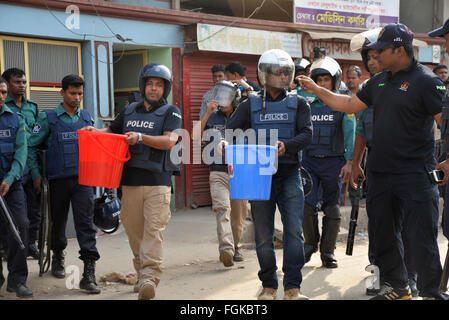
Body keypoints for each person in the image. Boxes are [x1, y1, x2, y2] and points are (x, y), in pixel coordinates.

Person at [299, 23, 446, 300]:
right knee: (383, 235)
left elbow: (446, 125)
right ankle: (397, 287)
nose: (374, 56)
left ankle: (431, 293)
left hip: (416, 173)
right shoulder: (377, 83)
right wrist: (317, 90)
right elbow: (349, 105)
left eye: (380, 51)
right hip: (380, 173)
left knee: (421, 237)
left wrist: (448, 159)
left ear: (399, 50)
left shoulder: (427, 82)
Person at [83, 63, 182, 300]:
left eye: (159, 85)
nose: (154, 89)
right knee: (135, 232)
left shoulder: (171, 112)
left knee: (153, 231)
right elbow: (111, 130)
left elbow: (169, 141)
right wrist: (94, 132)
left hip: (158, 183)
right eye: (150, 84)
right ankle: (141, 274)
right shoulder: (129, 111)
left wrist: (141, 138)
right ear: (143, 85)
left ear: (165, 88)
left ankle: (149, 278)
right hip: (129, 182)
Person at [225, 49, 313, 300]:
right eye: (276, 71)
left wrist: (288, 146)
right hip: (258, 177)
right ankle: (268, 286)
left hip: (290, 174)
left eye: (286, 71)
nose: (282, 75)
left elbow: (307, 134)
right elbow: (229, 131)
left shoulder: (300, 103)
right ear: (264, 74)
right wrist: (224, 143)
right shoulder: (248, 104)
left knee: (294, 232)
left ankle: (293, 288)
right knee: (263, 235)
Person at [349, 28, 418, 297]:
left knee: (405, 226)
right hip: (376, 164)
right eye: (368, 57)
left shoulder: (411, 84)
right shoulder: (368, 90)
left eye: (376, 55)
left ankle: (407, 278)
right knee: (378, 226)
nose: (371, 61)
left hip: (406, 165)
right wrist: (356, 163)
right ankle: (379, 278)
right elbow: (360, 130)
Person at [28, 75, 101, 294]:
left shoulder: (87, 117)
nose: (77, 98)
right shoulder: (47, 118)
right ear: (62, 93)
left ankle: (89, 272)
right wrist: (36, 175)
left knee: (86, 224)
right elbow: (31, 146)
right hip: (57, 180)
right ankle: (57, 255)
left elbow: (95, 146)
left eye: (80, 94)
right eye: (72, 93)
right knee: (57, 222)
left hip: (83, 180)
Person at [298, 56, 355, 268]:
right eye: (318, 80)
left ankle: (327, 253)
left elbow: (350, 132)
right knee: (306, 204)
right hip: (309, 162)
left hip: (334, 163)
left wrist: (349, 162)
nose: (322, 84)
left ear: (335, 81)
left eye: (326, 80)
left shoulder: (344, 102)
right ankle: (310, 244)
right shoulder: (304, 103)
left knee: (332, 209)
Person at [198, 80, 247, 266]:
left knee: (238, 215)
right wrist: (208, 112)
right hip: (217, 171)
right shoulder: (212, 115)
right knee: (222, 209)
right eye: (220, 94)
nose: (222, 99)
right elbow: (196, 135)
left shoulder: (244, 114)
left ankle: (237, 245)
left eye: (227, 95)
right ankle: (226, 248)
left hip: (240, 172)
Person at [1, 68, 41, 260]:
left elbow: (36, 136)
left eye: (24, 82)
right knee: (9, 214)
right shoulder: (5, 106)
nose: (22, 86)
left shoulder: (32, 107)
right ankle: (7, 247)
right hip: (9, 167)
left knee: (32, 210)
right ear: (7, 84)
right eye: (18, 82)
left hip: (29, 166)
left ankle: (30, 244)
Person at [0, 76, 32, 298]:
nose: (1, 97)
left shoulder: (14, 119)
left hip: (11, 185)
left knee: (20, 226)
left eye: (3, 92)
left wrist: (10, 178)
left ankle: (17, 280)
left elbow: (21, 153)